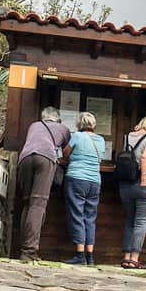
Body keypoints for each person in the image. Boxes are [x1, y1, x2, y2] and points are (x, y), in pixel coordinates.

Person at [17, 106, 71, 262]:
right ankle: (29, 251)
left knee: (27, 203)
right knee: (38, 204)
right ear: (58, 119)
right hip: (45, 158)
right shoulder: (63, 129)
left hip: (25, 159)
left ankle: (24, 247)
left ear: (43, 117)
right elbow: (66, 153)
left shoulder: (34, 125)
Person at [61, 111, 106, 266]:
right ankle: (90, 255)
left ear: (80, 124)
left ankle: (79, 254)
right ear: (93, 125)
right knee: (90, 217)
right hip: (95, 181)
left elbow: (65, 153)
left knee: (77, 214)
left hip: (77, 178)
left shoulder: (78, 136)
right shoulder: (101, 140)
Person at [118, 116, 146, 269]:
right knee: (140, 221)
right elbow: (144, 156)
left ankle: (126, 257)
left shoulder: (127, 136)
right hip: (143, 183)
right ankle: (134, 259)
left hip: (126, 182)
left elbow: (131, 158)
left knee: (130, 220)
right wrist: (144, 178)